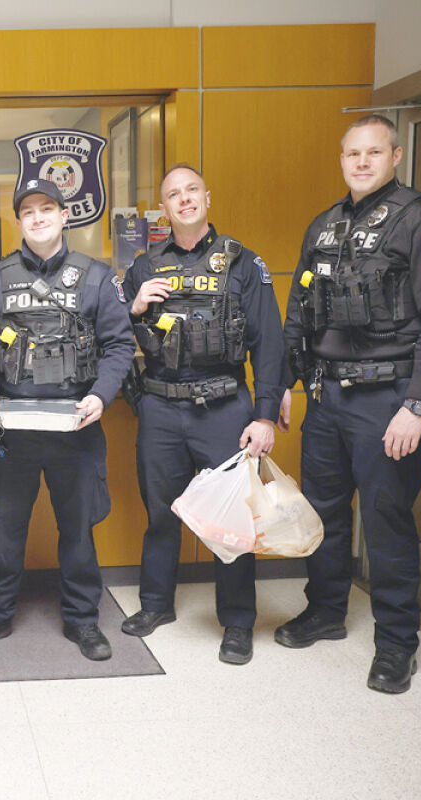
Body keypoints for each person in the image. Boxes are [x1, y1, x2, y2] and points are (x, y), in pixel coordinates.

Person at [280, 114, 421, 693]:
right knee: (324, 515)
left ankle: (396, 644)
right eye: (351, 154)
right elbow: (298, 315)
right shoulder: (325, 226)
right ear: (342, 160)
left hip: (388, 399)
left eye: (373, 153)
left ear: (395, 156)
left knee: (386, 523)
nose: (361, 163)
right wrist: (285, 386)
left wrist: (416, 405)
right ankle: (326, 611)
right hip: (328, 397)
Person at [116, 164, 285, 665]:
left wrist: (266, 415)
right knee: (160, 512)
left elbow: (269, 343)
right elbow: (109, 339)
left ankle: (236, 622)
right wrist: (133, 307)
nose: (184, 199)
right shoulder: (144, 268)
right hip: (161, 408)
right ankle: (155, 605)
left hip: (224, 408)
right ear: (163, 209)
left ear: (207, 198)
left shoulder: (242, 262)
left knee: (232, 520)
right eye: (174, 194)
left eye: (192, 191)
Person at [0, 178, 135, 661]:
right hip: (11, 428)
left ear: (64, 216)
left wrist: (101, 396)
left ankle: (83, 621)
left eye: (47, 209)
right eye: (29, 211)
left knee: (78, 532)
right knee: (4, 529)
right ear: (19, 221)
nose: (38, 218)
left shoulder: (96, 277)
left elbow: (120, 345)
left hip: (76, 426)